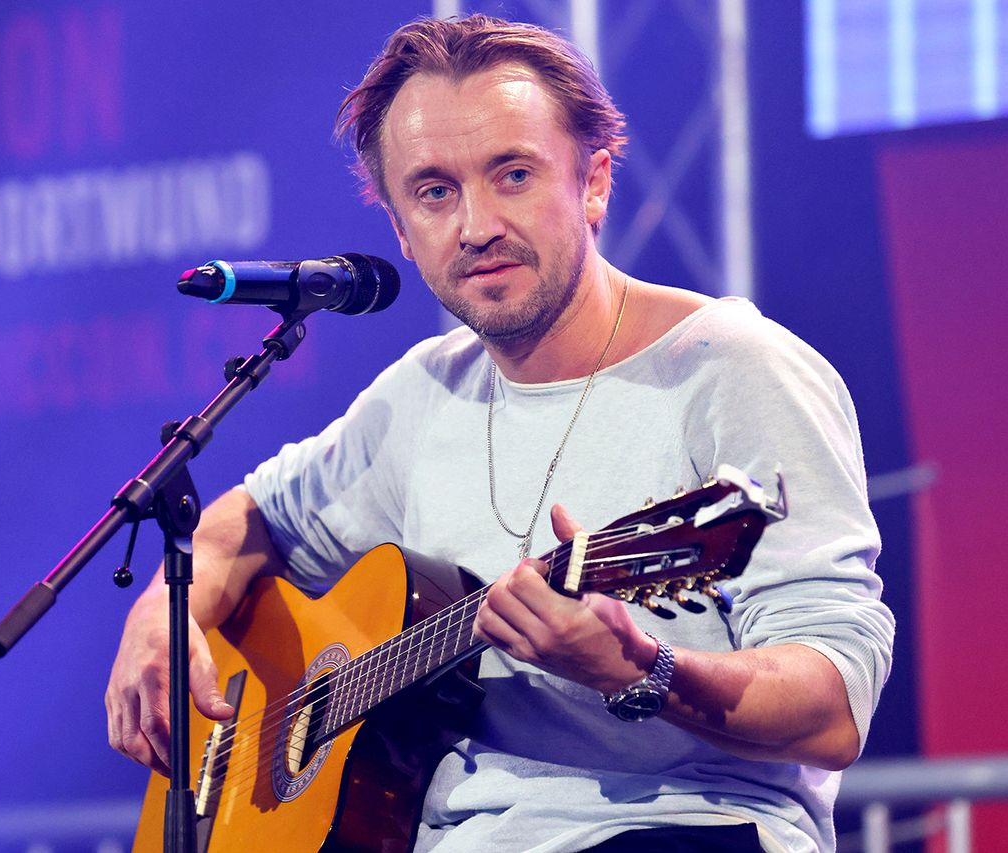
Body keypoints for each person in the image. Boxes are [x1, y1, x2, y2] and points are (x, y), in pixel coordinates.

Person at [106, 14, 894, 853]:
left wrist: (643, 671)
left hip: (679, 827)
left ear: (593, 183)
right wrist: (156, 613)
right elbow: (250, 519)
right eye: (435, 192)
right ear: (403, 234)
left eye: (512, 174)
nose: (476, 224)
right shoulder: (421, 394)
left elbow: (836, 704)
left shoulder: (734, 368)